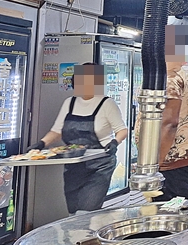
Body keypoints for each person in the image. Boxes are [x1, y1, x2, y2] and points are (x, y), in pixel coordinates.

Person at [29, 63, 126, 214]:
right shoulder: (70, 103)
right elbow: (57, 131)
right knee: (73, 210)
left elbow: (122, 130)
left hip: (100, 165)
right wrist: (41, 143)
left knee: (88, 209)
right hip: (74, 165)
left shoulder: (107, 103)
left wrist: (115, 142)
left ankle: (89, 229)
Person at [158, 25, 188, 200]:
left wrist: (155, 162)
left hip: (172, 158)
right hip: (185, 155)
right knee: (178, 206)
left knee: (167, 210)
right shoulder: (187, 70)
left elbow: (170, 122)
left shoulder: (172, 76)